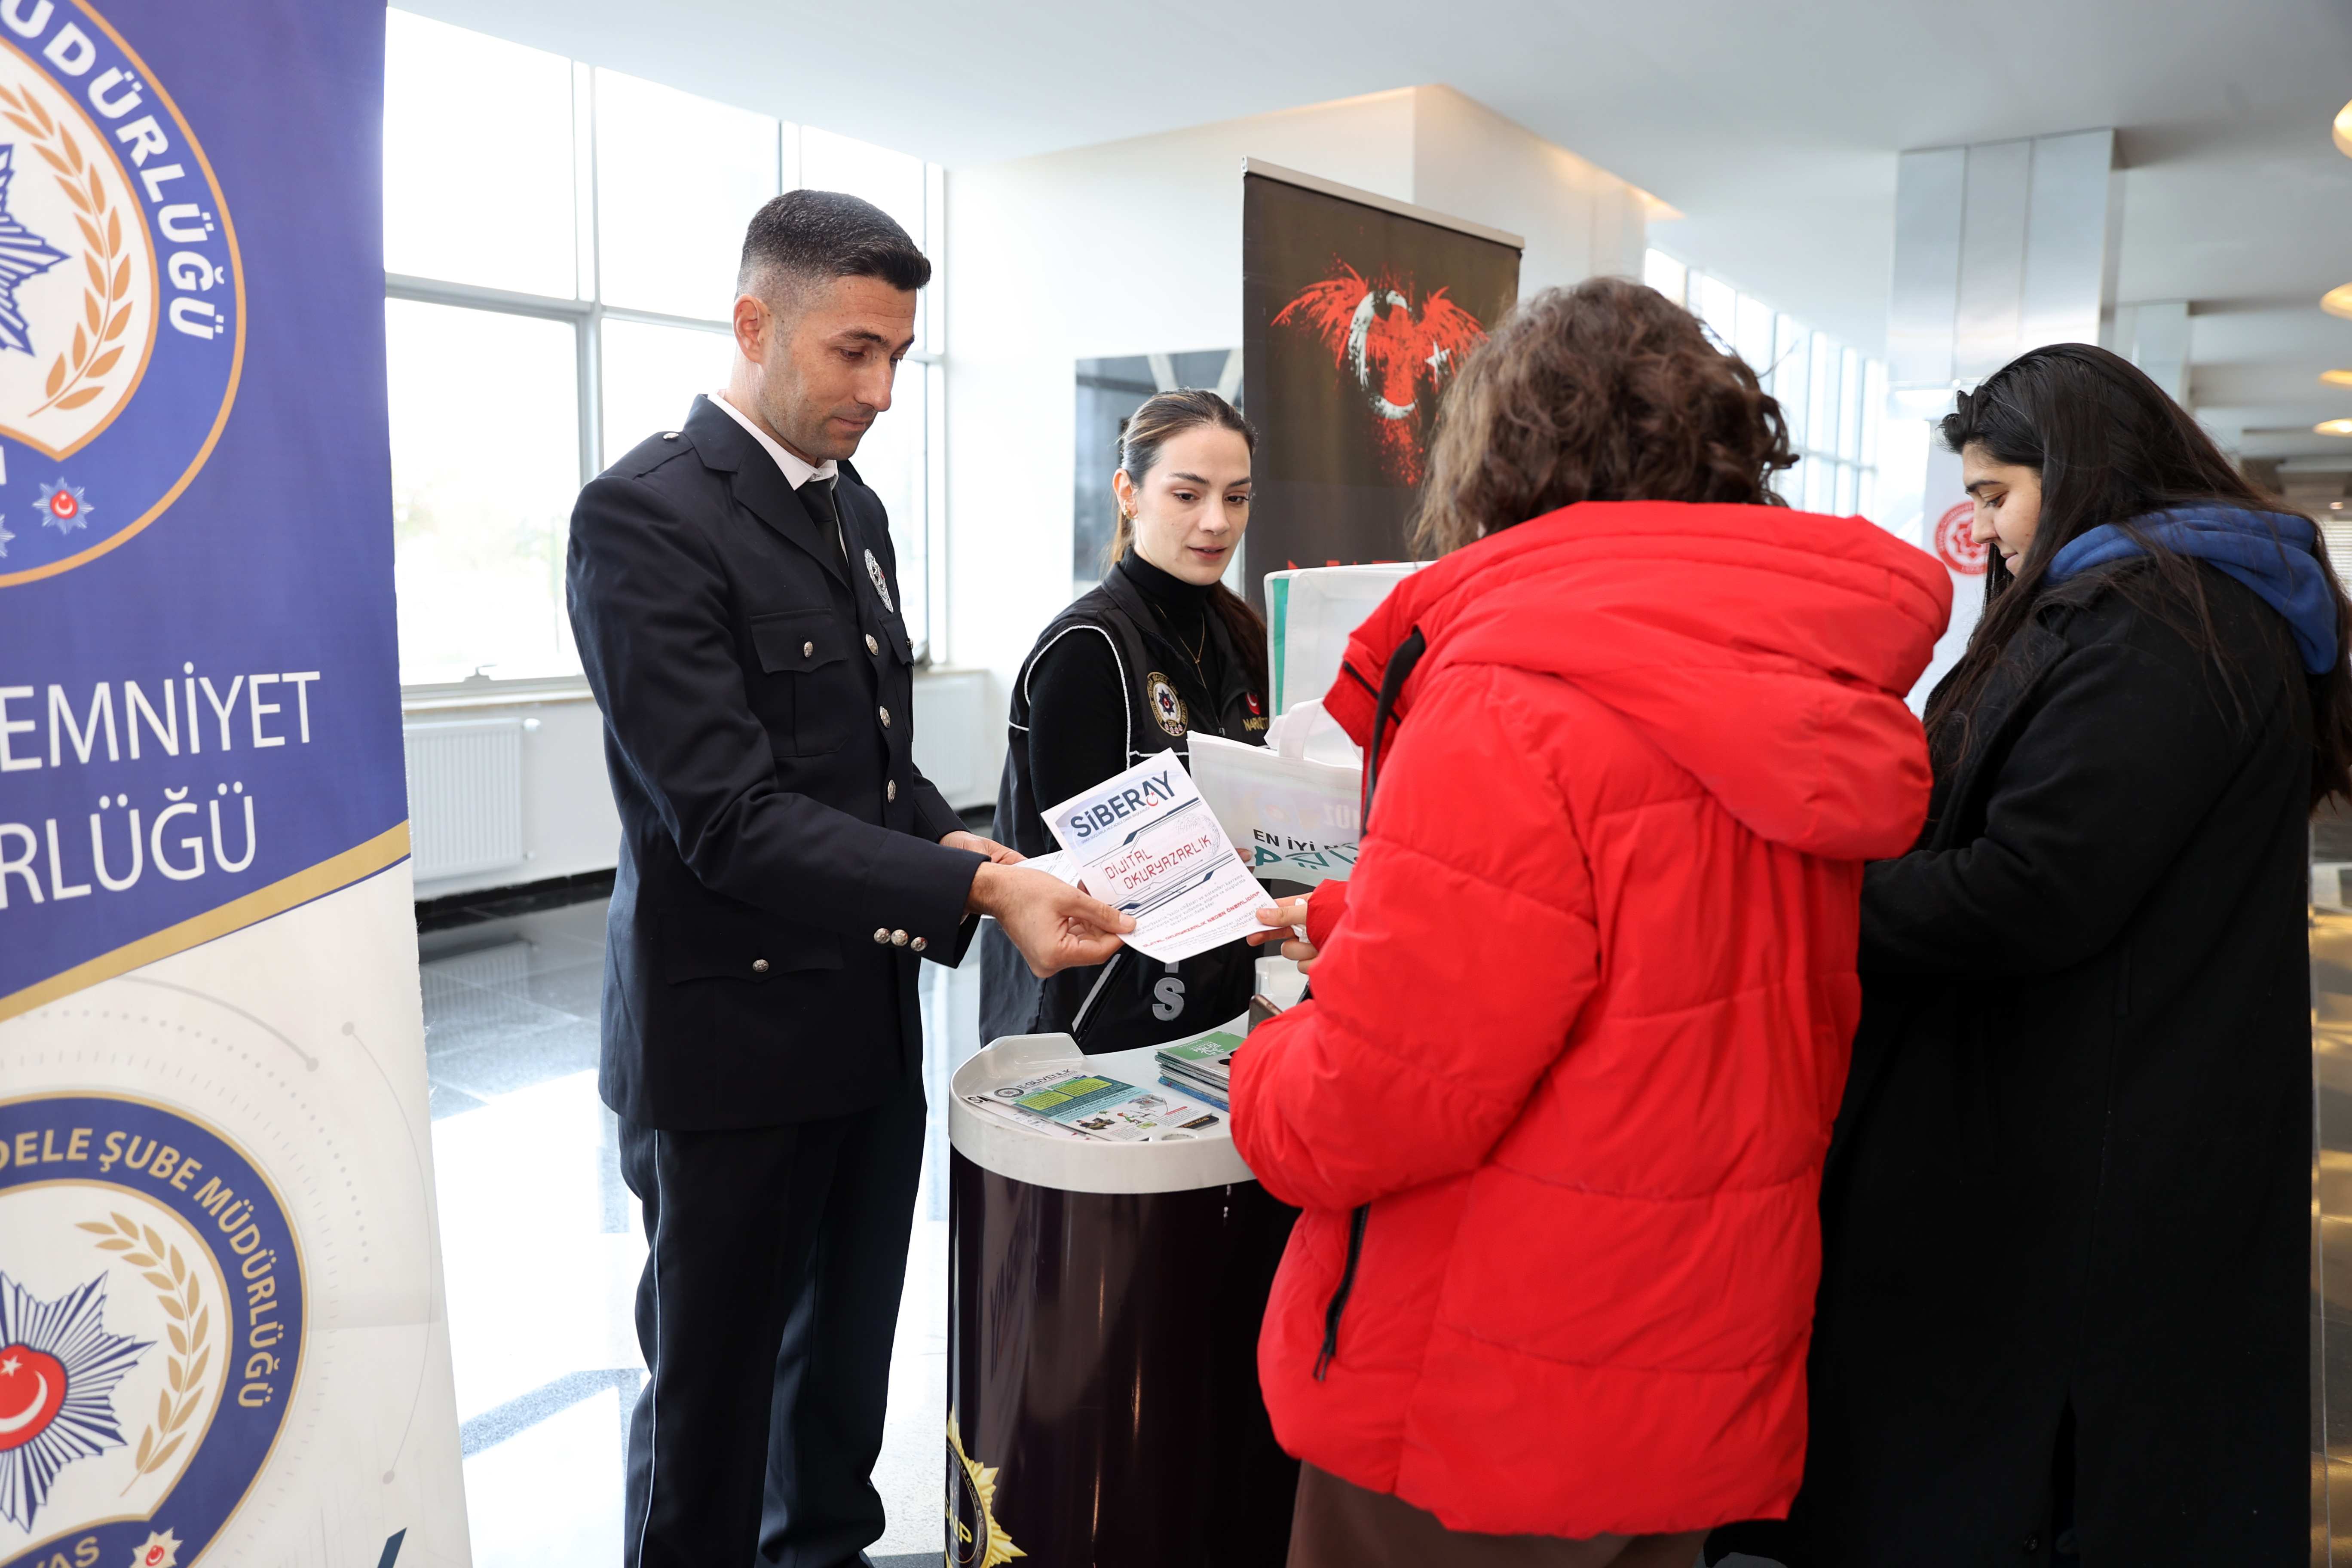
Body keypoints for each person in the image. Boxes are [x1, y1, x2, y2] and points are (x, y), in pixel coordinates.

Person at [1228, 274, 1948, 1568]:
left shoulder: (1511, 690)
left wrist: (1264, 1066)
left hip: (1484, 1383)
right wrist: (1365, 914)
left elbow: (1378, 1101)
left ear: (1503, 450)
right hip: (1681, 1361)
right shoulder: (1778, 681)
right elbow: (1661, 927)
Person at [566, 189, 1131, 1568]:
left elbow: (869, 777)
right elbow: (730, 819)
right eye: (853, 352)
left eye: (898, 357)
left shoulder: (849, 507)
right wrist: (983, 899)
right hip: (731, 1048)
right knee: (711, 1421)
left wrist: (967, 847)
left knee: (837, 1403)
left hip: (862, 1028)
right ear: (756, 322)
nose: (881, 390)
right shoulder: (645, 518)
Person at [1718, 343, 2351, 1567]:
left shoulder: (2166, 624)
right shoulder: (2170, 604)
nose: (1988, 532)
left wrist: (1797, 907)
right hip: (2106, 1117)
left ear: (2083, 472)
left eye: (1997, 496)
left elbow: (2031, 886)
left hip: (2079, 1142)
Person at [980, 389, 1272, 1050]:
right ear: (1129, 492)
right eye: (1187, 494)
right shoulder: (1088, 648)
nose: (1217, 522)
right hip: (1096, 1012)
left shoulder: (1242, 636)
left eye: (1236, 497)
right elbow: (1086, 867)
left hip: (1216, 993)